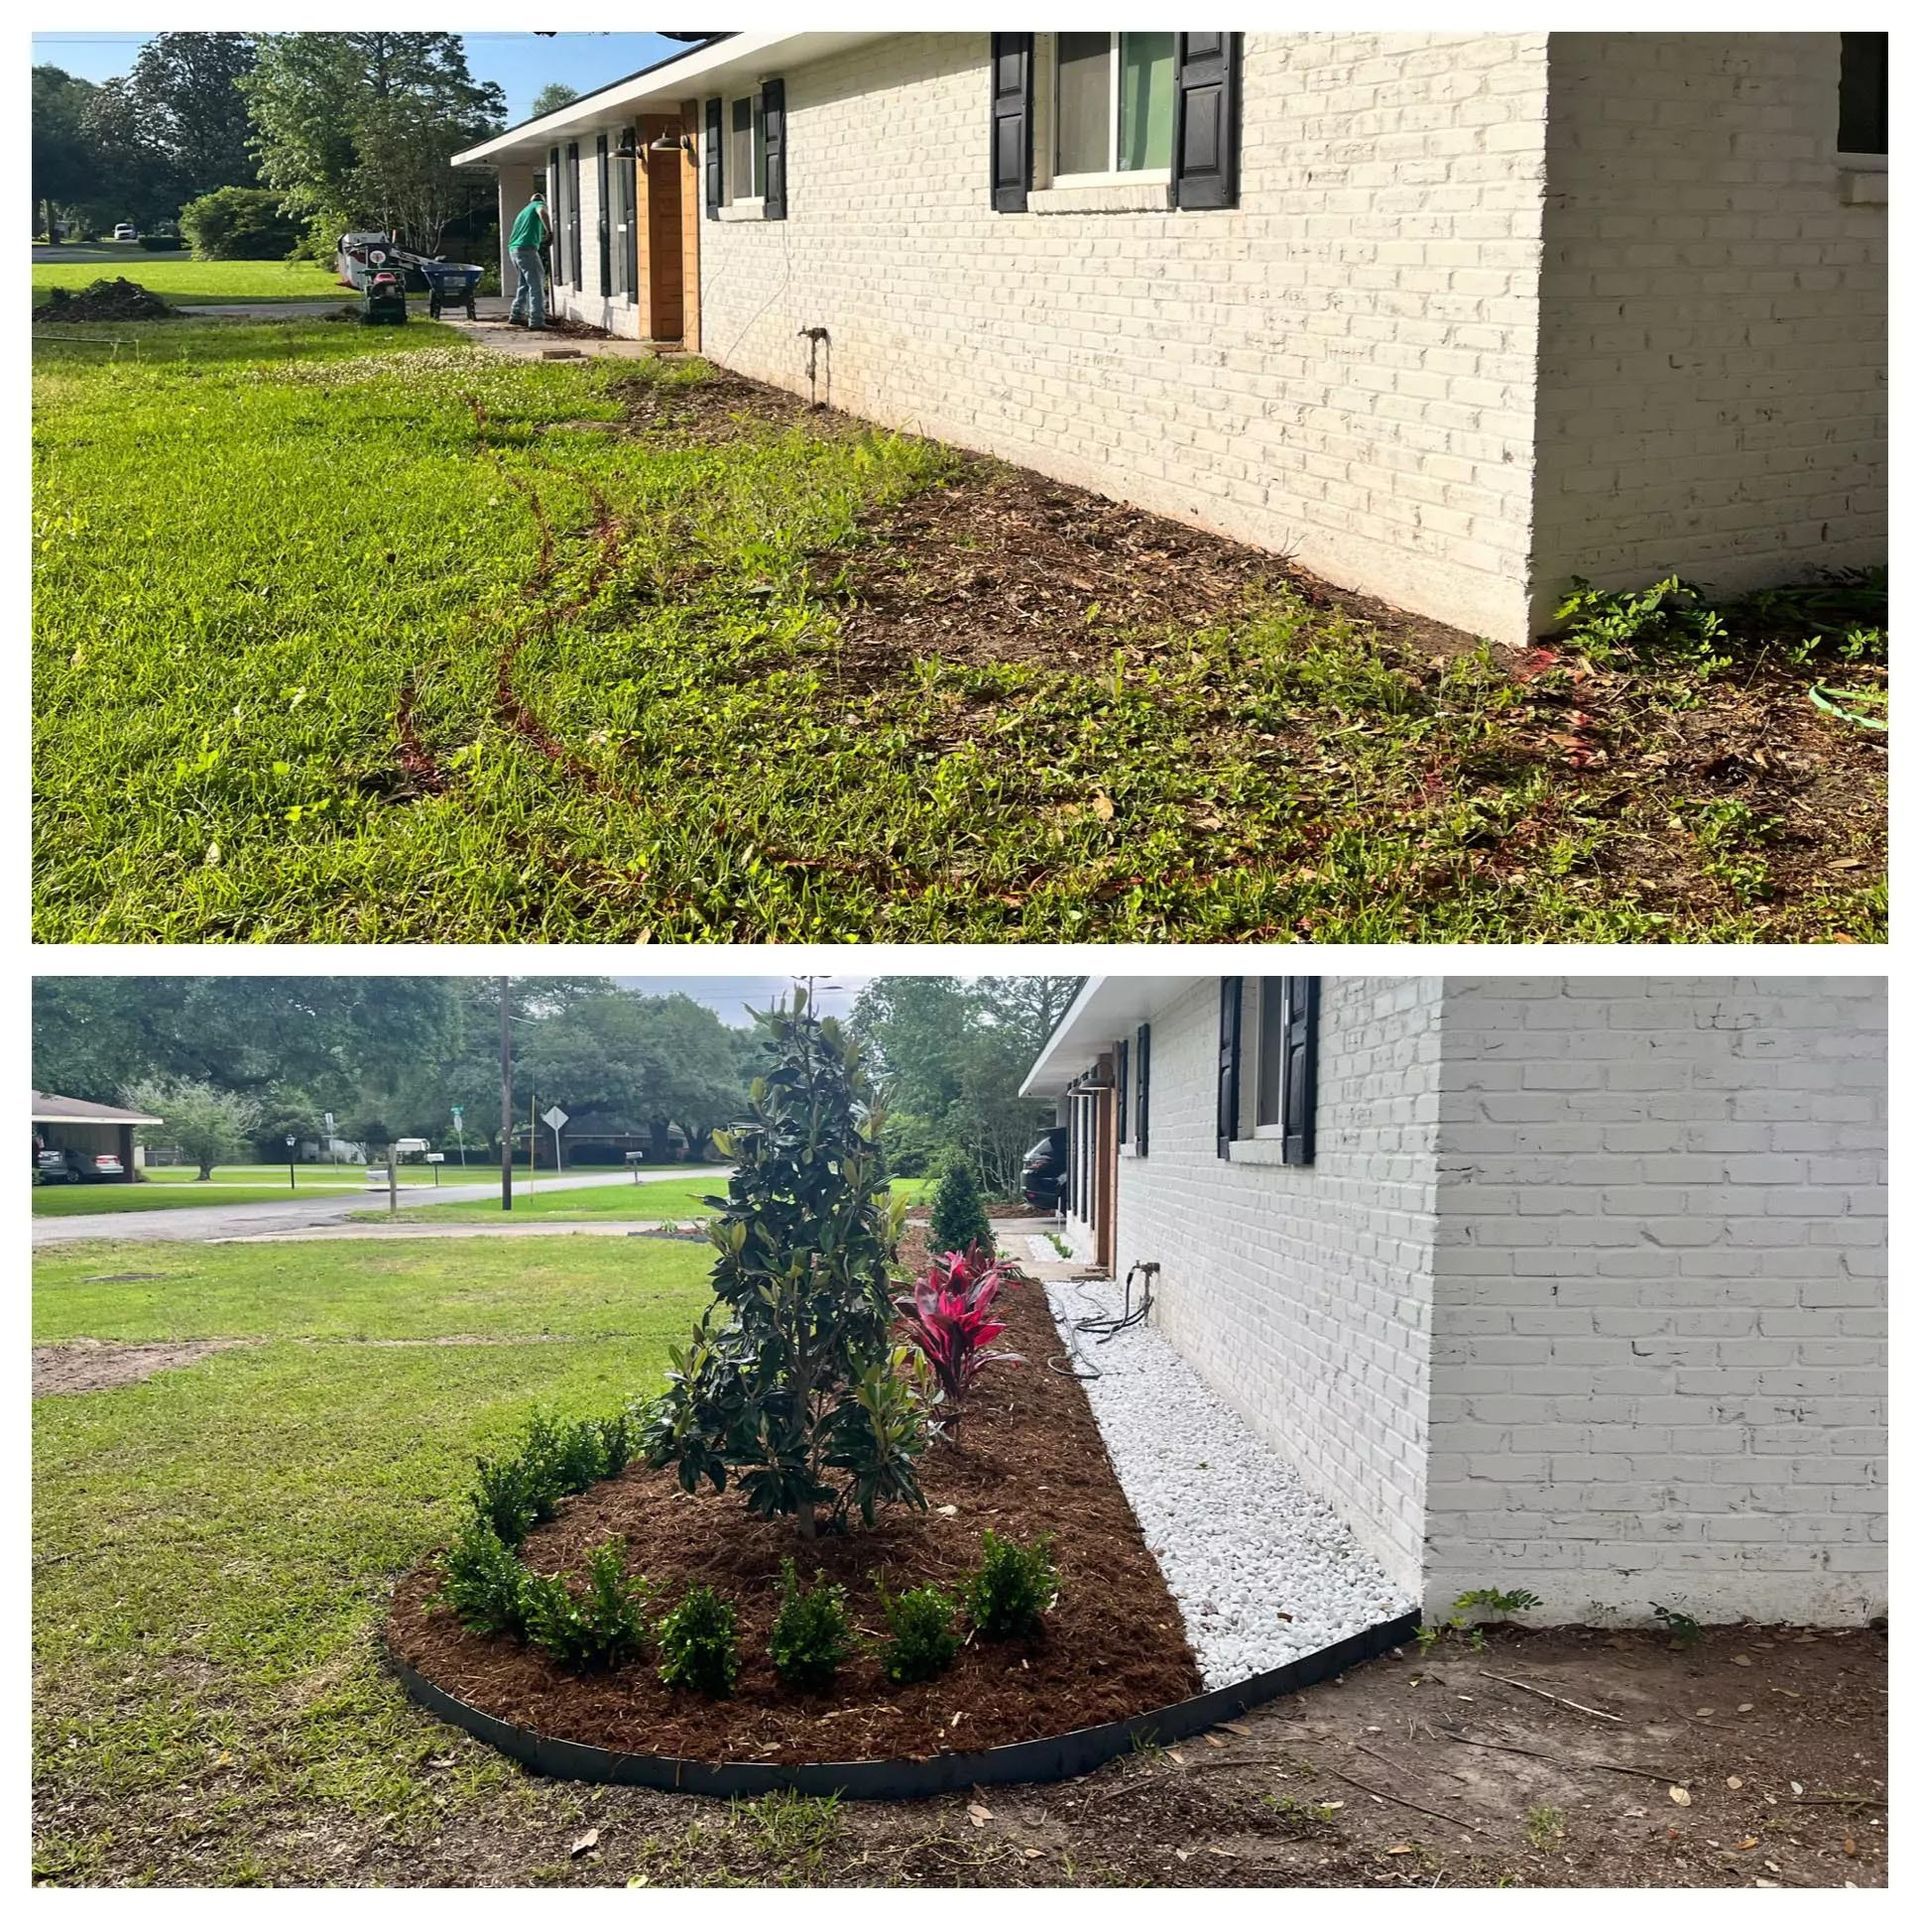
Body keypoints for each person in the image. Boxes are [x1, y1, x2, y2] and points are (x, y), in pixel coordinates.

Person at [506, 188, 550, 330]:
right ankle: (537, 320)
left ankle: (516, 314)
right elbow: (542, 212)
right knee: (536, 283)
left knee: (524, 283)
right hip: (526, 249)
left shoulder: (523, 211)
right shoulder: (538, 205)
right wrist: (549, 231)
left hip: (514, 250)